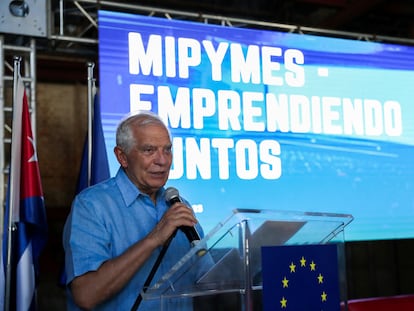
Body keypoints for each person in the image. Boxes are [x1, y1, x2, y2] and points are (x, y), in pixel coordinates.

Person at [63, 111, 208, 310]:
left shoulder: (179, 206)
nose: (163, 161)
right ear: (122, 157)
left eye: (167, 150)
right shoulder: (91, 206)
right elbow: (87, 295)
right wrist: (154, 238)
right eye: (149, 150)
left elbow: (209, 279)